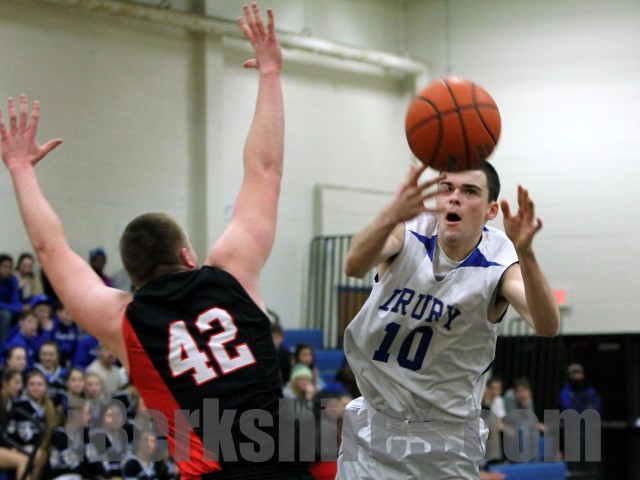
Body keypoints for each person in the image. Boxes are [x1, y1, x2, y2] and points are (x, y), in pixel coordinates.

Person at [0, 4, 310, 479]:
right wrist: (270, 73)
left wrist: (21, 169)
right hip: (287, 462)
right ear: (186, 254)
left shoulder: (125, 320)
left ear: (133, 277)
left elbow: (51, 250)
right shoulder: (231, 271)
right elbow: (265, 171)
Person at [337, 162, 560, 479]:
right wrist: (390, 215)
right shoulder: (409, 230)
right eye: (447, 188)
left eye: (469, 191)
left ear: (491, 210)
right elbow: (353, 266)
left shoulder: (500, 259)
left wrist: (527, 254)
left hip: (445, 443)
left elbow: (547, 325)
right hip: (373, 429)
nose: (455, 197)